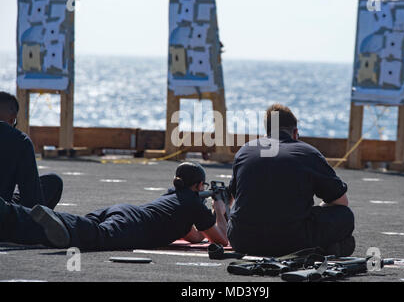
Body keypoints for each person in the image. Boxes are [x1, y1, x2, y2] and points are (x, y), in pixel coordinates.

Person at [0, 162, 228, 250]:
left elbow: (195, 237)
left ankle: (22, 216)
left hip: (125, 211)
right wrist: (219, 210)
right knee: (87, 236)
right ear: (199, 185)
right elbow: (221, 240)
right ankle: (13, 213)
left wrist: (210, 214)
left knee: (77, 225)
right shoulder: (193, 203)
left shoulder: (175, 197)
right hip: (134, 226)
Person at [227, 103, 355, 257]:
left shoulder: (245, 151)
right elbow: (341, 202)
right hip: (292, 241)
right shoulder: (307, 152)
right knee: (344, 215)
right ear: (295, 133)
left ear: (266, 131)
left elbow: (234, 198)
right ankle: (323, 248)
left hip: (242, 241)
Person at [0, 91, 63, 209]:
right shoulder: (19, 140)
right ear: (12, 118)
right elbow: (32, 198)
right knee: (53, 183)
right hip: (3, 215)